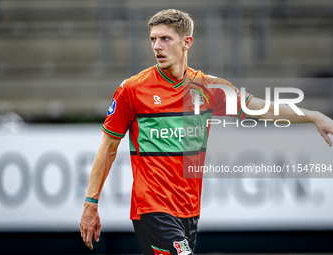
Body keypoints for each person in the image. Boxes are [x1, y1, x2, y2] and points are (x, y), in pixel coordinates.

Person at [80, 9, 333, 255]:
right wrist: (91, 203)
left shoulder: (208, 89)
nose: (157, 46)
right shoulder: (133, 89)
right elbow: (108, 147)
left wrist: (311, 116)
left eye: (165, 39)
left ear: (186, 42)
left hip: (189, 212)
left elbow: (261, 109)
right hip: (152, 211)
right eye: (153, 40)